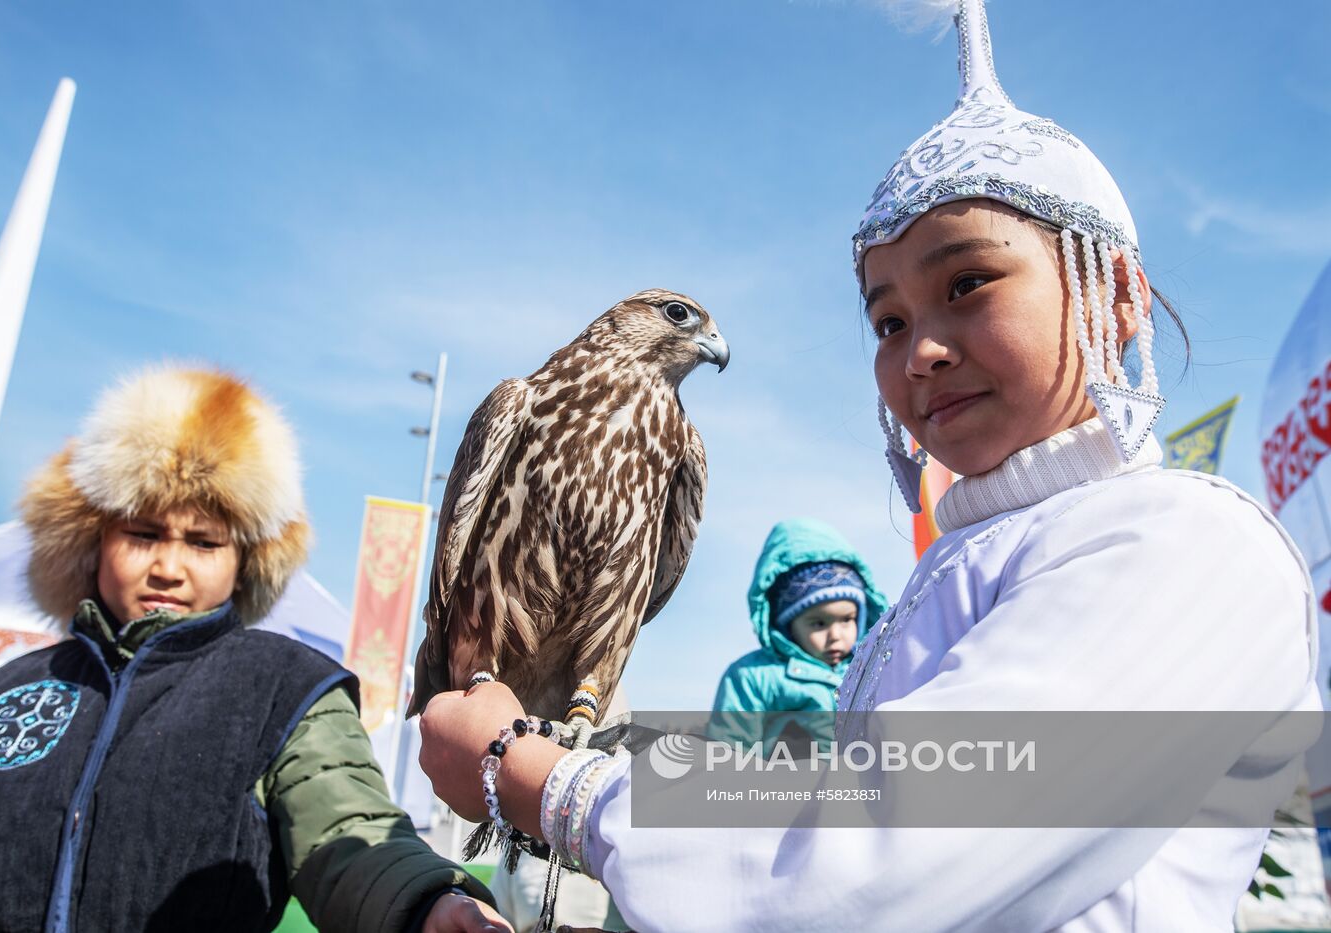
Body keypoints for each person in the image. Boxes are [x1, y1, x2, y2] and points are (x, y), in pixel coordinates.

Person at [417, 2, 1321, 930]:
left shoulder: (1191, 547)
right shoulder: (966, 562)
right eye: (888, 322)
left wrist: (555, 785)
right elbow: (832, 787)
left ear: (1117, 292)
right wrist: (585, 763)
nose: (921, 347)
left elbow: (885, 845)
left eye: (967, 284)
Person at [0, 366, 512, 933]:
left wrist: (427, 902)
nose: (168, 567)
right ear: (91, 539)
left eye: (204, 542)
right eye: (142, 534)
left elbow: (348, 832)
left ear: (245, 562)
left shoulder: (285, 689)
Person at [710, 518, 886, 749]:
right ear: (789, 626)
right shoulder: (756, 677)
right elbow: (728, 749)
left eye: (846, 619)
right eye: (819, 623)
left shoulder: (873, 672)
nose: (835, 635)